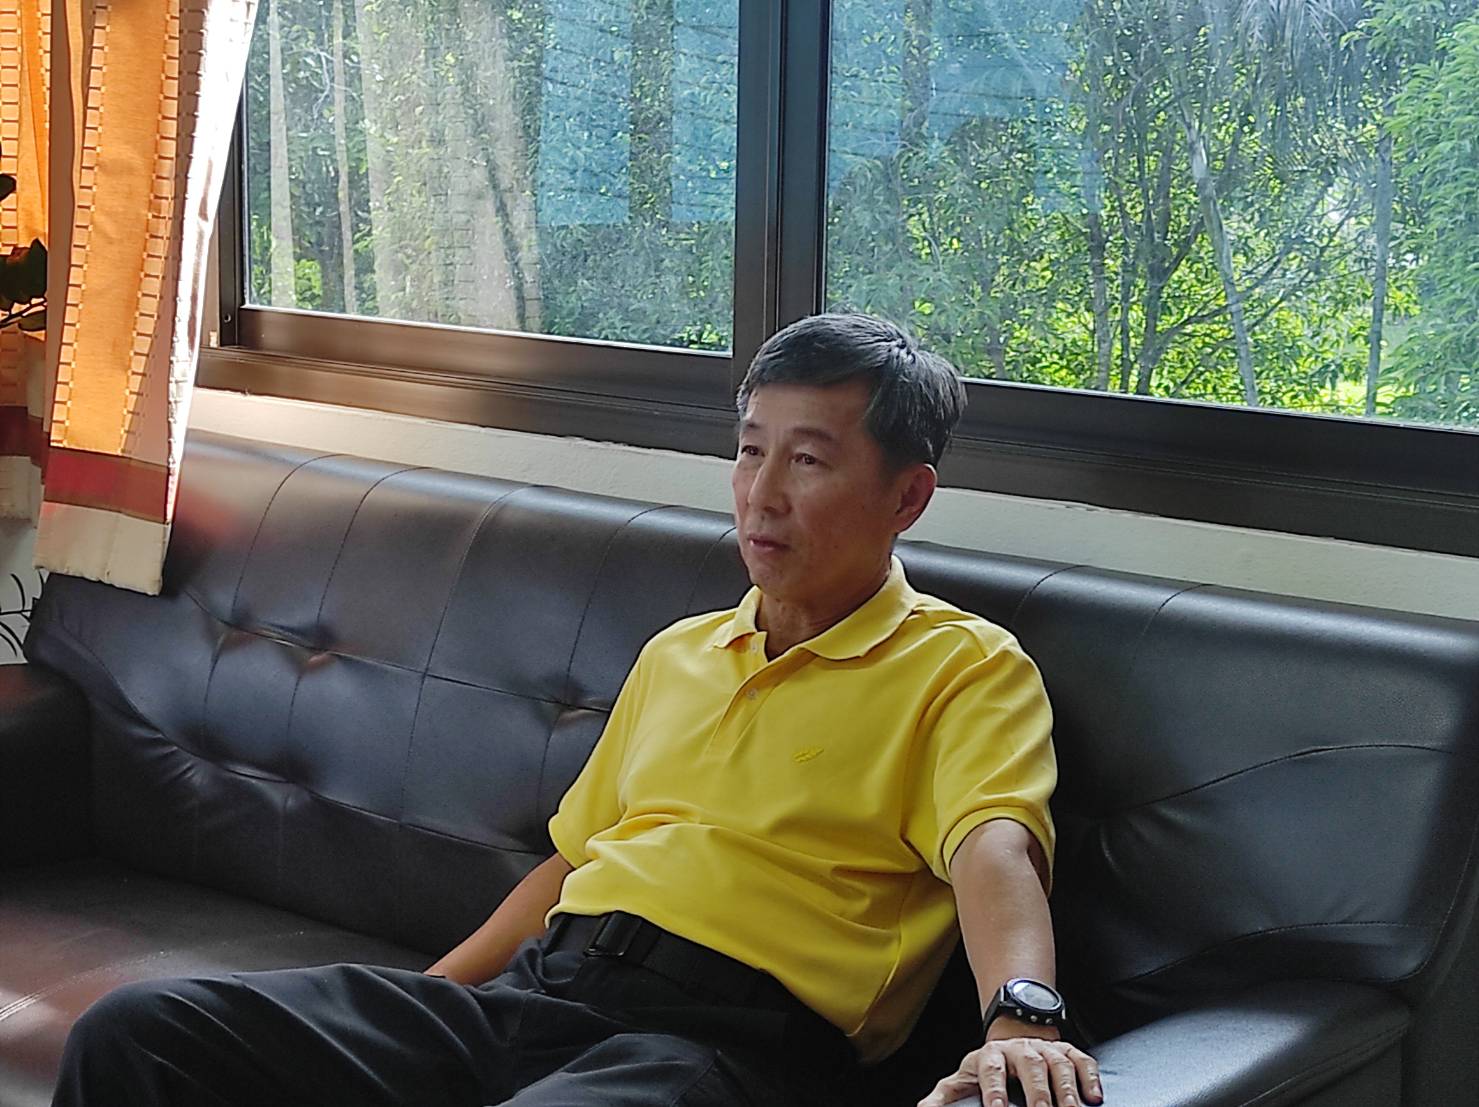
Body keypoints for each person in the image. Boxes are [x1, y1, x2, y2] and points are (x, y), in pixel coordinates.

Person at [52, 313, 1101, 1107]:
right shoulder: (682, 653)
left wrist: (1019, 1017)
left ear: (907, 496)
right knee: (142, 1030)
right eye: (750, 450)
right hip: (546, 994)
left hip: (725, 1046)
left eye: (809, 460)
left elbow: (995, 854)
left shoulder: (963, 668)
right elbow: (569, 865)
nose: (763, 492)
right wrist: (433, 1006)